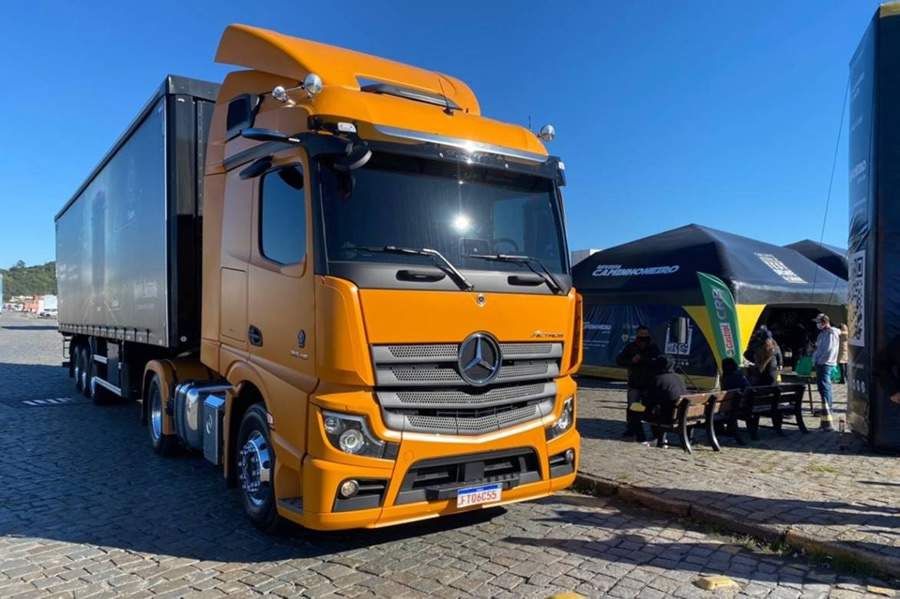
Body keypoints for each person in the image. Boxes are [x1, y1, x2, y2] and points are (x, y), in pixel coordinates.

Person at [615, 326, 660, 441]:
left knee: (650, 408)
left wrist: (643, 360)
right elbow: (619, 360)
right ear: (637, 335)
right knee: (631, 407)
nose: (644, 336)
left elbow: (658, 362)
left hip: (648, 383)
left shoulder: (653, 347)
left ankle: (654, 431)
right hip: (634, 383)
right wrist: (631, 361)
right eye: (641, 334)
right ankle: (631, 429)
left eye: (646, 334)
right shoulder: (630, 347)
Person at [644, 355, 688, 447]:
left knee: (647, 411)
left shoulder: (658, 379)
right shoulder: (679, 377)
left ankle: (653, 438)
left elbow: (649, 400)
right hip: (683, 413)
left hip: (668, 417)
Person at [812, 313, 840, 430]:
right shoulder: (822, 334)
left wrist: (820, 360)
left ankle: (828, 409)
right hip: (819, 363)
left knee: (825, 387)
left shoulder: (831, 333)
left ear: (824, 322)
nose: (817, 324)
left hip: (825, 363)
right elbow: (819, 348)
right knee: (821, 387)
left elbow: (829, 349)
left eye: (818, 322)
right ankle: (825, 408)